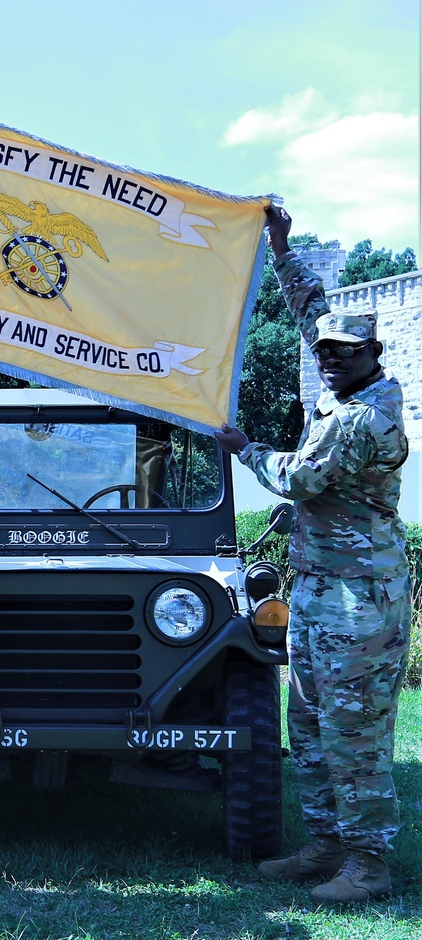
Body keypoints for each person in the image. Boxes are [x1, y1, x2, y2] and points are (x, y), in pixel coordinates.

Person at [215, 206, 412, 906]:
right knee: (310, 722)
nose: (328, 357)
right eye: (324, 350)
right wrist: (280, 246)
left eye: (343, 352)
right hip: (324, 591)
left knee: (353, 732)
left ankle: (368, 862)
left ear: (372, 356)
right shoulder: (340, 379)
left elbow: (299, 477)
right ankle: (326, 842)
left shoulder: (365, 416)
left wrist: (246, 449)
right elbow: (313, 311)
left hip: (362, 602)